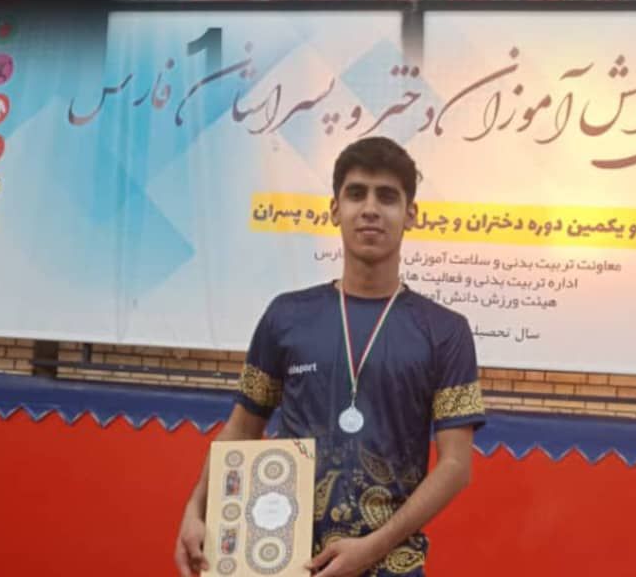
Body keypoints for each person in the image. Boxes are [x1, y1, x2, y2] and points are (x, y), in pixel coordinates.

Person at [174, 136, 485, 577]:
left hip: (390, 565)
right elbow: (241, 429)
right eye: (356, 193)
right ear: (335, 209)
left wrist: (370, 549)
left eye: (387, 197)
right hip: (282, 560)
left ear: (411, 214)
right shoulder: (286, 316)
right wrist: (196, 509)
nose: (370, 209)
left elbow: (455, 467)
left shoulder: (445, 331)